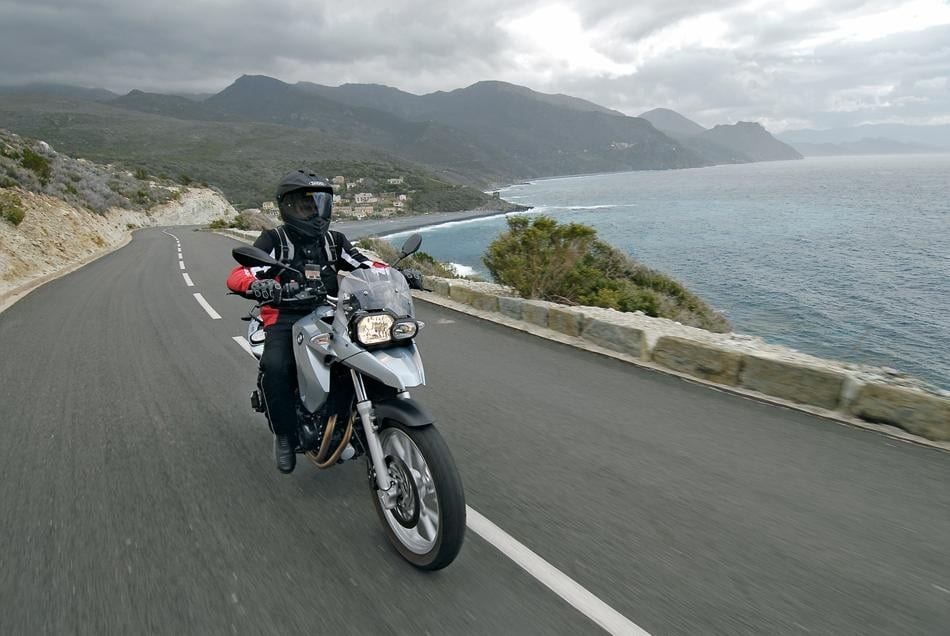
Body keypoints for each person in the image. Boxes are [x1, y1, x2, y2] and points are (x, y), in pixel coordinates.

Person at [227, 170, 373, 473]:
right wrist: (258, 285)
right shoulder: (274, 240)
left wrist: (397, 273)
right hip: (285, 315)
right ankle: (284, 435)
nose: (314, 211)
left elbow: (365, 264)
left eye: (320, 203)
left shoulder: (334, 241)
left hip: (333, 312)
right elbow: (241, 273)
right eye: (306, 205)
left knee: (369, 351)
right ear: (288, 206)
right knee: (276, 367)